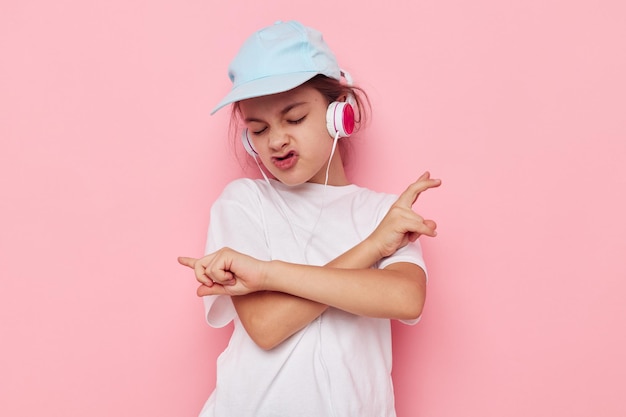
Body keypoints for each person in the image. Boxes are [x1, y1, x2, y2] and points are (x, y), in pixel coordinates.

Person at [178, 20, 441, 417]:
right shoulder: (244, 202)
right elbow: (266, 326)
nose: (277, 140)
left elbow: (406, 298)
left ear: (340, 115)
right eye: (259, 129)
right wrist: (371, 248)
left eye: (295, 118)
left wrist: (265, 273)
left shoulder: (382, 213)